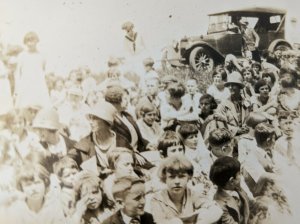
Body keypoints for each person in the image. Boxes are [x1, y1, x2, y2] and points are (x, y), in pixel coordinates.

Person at [151, 155, 222, 224]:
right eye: (172, 177)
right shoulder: (157, 200)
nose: (177, 182)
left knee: (204, 213)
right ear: (164, 178)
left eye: (181, 176)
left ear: (188, 177)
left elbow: (217, 210)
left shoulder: (192, 194)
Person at [68, 100, 131, 177]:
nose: (90, 122)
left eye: (95, 118)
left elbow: (133, 164)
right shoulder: (84, 144)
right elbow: (68, 161)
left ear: (106, 121)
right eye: (90, 118)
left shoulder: (122, 142)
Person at [105, 85, 154, 152]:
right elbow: (119, 144)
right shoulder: (111, 121)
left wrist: (147, 144)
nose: (128, 101)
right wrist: (133, 152)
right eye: (125, 99)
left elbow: (137, 136)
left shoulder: (127, 115)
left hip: (139, 152)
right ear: (116, 100)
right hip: (127, 156)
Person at [32, 108, 76, 173]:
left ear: (52, 128)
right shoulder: (39, 152)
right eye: (37, 129)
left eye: (41, 129)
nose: (38, 133)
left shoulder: (74, 146)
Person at [210, 156, 250, 224]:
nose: (241, 175)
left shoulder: (236, 187)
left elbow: (248, 203)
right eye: (239, 173)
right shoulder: (220, 205)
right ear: (231, 181)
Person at [14, 32, 50, 109]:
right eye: (28, 41)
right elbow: (17, 74)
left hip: (38, 85)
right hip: (25, 84)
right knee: (24, 107)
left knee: (41, 107)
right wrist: (17, 89)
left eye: (32, 41)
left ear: (36, 41)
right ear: (25, 42)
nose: (30, 44)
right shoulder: (22, 56)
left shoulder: (41, 56)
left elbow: (43, 71)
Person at [217, 71, 251, 136]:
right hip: (230, 135)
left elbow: (249, 119)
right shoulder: (224, 104)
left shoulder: (246, 102)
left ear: (239, 87)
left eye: (233, 85)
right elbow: (221, 124)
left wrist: (245, 128)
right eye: (229, 85)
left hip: (246, 134)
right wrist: (236, 130)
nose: (230, 88)